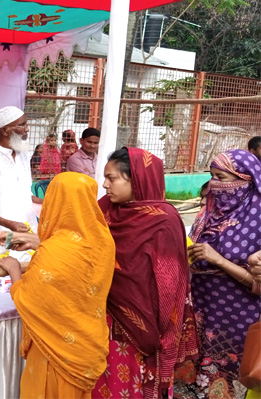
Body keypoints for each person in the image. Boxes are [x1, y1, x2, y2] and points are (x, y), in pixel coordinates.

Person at [0, 172, 115, 399]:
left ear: (54, 203)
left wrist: (13, 269)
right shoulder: (104, 241)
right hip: (87, 347)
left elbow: (28, 299)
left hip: (55, 353)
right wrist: (36, 244)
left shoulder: (55, 250)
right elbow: (74, 265)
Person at [94, 147, 199, 399]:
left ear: (137, 179)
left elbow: (171, 282)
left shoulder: (163, 220)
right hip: (104, 317)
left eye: (112, 178)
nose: (105, 185)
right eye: (105, 178)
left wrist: (162, 329)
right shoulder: (104, 209)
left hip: (147, 321)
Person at [175, 150, 261, 399]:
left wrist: (218, 260)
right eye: (212, 176)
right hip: (199, 313)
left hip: (236, 323)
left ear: (246, 180)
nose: (215, 184)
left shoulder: (258, 220)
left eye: (222, 177)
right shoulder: (209, 213)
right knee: (191, 384)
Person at [0, 105, 37, 257]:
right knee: (4, 275)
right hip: (1, 235)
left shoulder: (24, 156)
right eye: (22, 125)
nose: (27, 129)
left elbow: (24, 192)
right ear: (5, 130)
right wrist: (9, 224)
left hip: (28, 233)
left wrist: (43, 202)